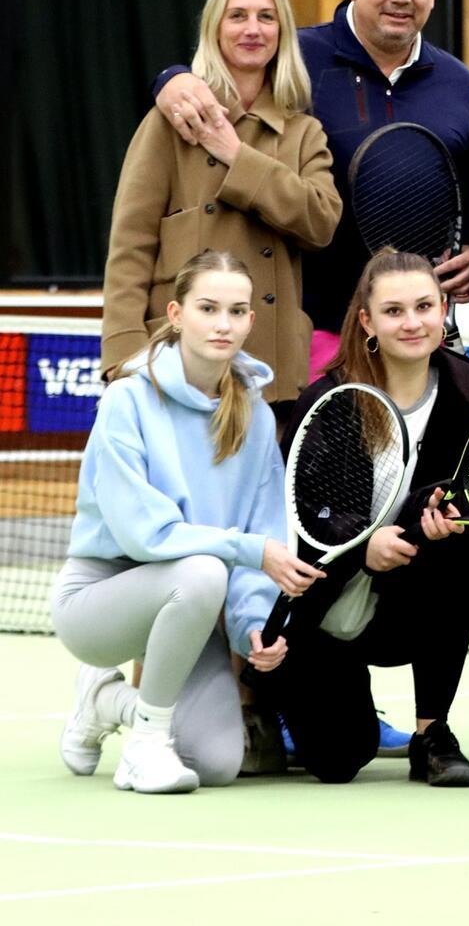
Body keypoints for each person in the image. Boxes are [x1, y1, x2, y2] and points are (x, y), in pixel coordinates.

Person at [154, 0, 469, 375]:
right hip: (311, 336)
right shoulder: (294, 58)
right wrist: (171, 80)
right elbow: (224, 69)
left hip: (416, 333)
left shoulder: (459, 83)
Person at [54, 251, 305, 793]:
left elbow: (263, 531)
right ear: (175, 313)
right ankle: (145, 742)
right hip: (97, 602)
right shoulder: (126, 399)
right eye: (207, 308)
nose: (223, 324)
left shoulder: (257, 419)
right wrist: (248, 550)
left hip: (190, 610)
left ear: (251, 321)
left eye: (237, 311)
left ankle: (105, 702)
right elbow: (146, 536)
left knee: (215, 763)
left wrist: (254, 626)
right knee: (204, 571)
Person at [262, 250, 469, 787]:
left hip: (415, 601)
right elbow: (302, 514)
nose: (412, 323)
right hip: (328, 601)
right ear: (367, 321)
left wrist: (454, 521)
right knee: (337, 760)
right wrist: (361, 547)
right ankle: (285, 703)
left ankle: (431, 736)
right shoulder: (329, 399)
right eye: (393, 311)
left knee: (451, 553)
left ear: (443, 312)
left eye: (424, 307)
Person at [102, 0, 341, 406]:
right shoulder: (167, 124)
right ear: (215, 27)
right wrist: (122, 359)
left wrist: (236, 154)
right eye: (238, 15)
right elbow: (130, 249)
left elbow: (321, 221)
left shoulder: (303, 132)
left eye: (266, 17)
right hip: (175, 365)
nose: (253, 29)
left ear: (282, 32)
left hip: (272, 374)